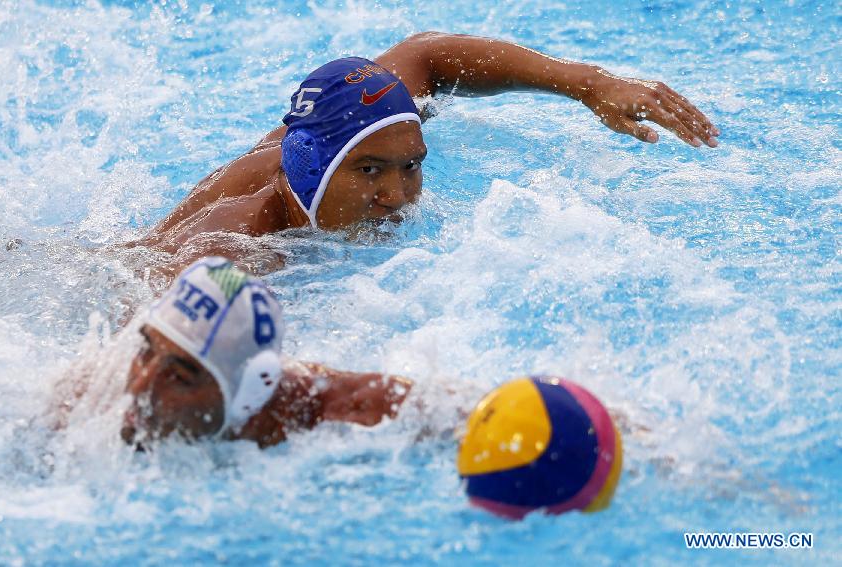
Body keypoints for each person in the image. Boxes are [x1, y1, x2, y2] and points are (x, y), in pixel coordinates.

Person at [139, 31, 719, 262]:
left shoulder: (332, 135)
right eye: (369, 171)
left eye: (412, 166)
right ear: (310, 170)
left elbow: (426, 54)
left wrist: (587, 82)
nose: (398, 196)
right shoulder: (233, 243)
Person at [57, 257, 413, 448]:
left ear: (248, 394)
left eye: (178, 377)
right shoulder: (87, 397)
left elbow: (441, 407)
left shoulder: (314, 410)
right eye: (146, 352)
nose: (139, 388)